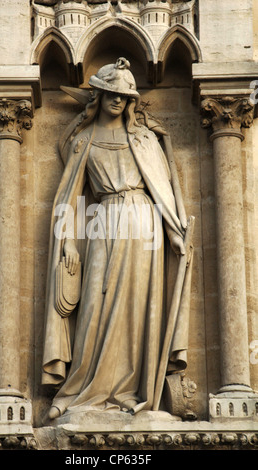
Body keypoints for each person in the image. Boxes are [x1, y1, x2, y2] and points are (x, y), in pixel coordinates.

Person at [42, 58, 191, 420]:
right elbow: (68, 199)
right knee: (93, 301)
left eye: (124, 96)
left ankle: (128, 389)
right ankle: (79, 388)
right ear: (99, 93)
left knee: (139, 307)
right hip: (104, 221)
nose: (118, 101)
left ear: (131, 101)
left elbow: (163, 188)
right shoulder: (83, 140)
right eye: (111, 93)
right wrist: (68, 243)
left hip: (144, 224)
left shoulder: (143, 139)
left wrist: (174, 231)